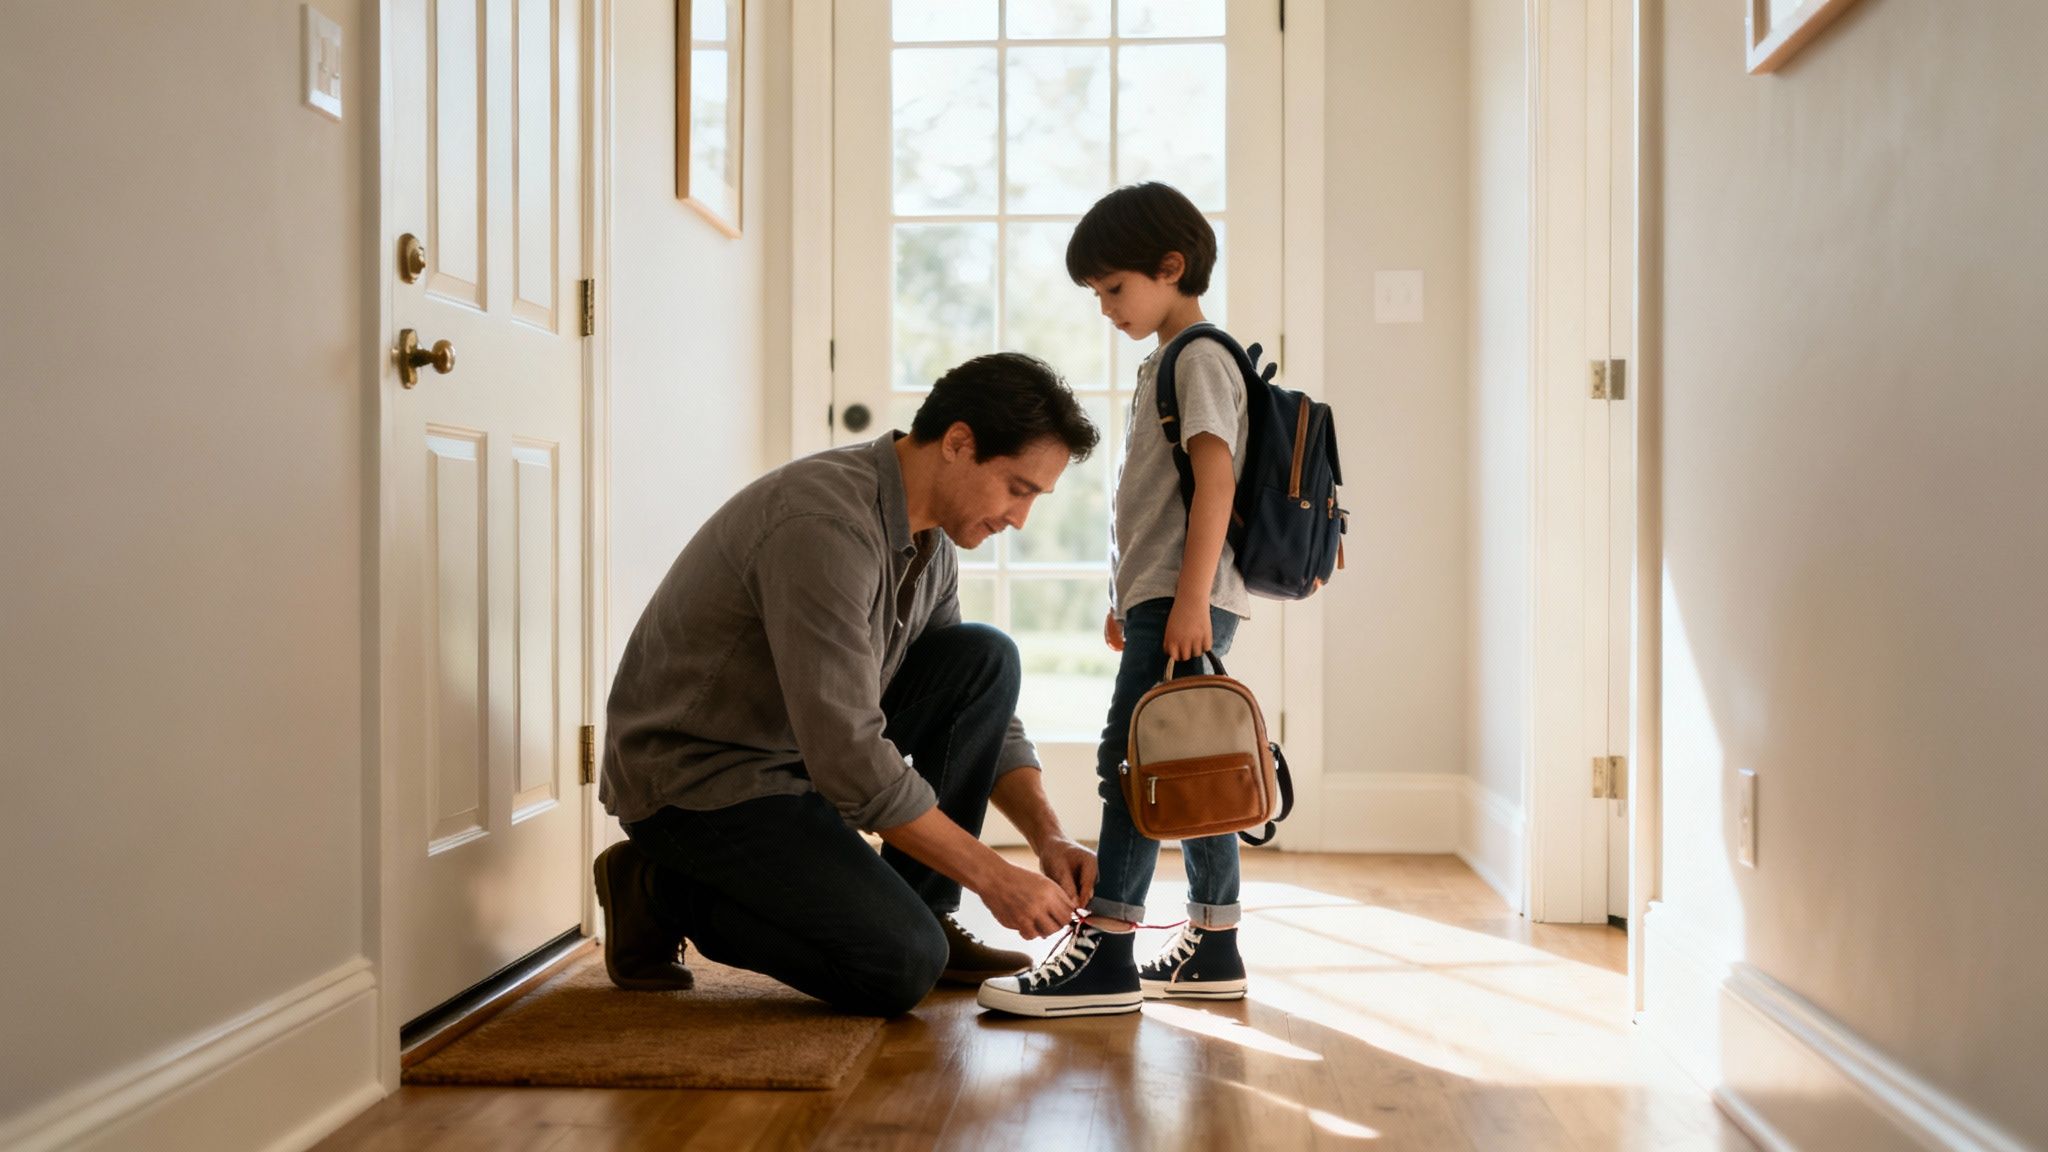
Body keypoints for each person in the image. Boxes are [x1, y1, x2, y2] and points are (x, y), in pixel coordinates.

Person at [594, 352, 1102, 1017]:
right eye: (1017, 487)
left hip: (795, 761)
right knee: (898, 966)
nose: (1019, 518)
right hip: (701, 788)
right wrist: (989, 874)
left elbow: (974, 708)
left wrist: (1047, 839)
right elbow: (851, 756)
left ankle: (925, 908)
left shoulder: (933, 538)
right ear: (958, 443)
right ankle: (657, 886)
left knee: (984, 659)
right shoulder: (823, 526)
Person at [979, 182, 1254, 1018]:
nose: (1105, 307)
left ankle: (1107, 947)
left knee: (1132, 764)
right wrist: (1125, 595)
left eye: (1113, 288)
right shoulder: (1165, 362)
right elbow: (1149, 503)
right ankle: (1213, 942)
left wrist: (1187, 599)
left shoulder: (1200, 356)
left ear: (1170, 268)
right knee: (1187, 760)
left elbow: (1215, 483)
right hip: (1164, 595)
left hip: (1184, 598)